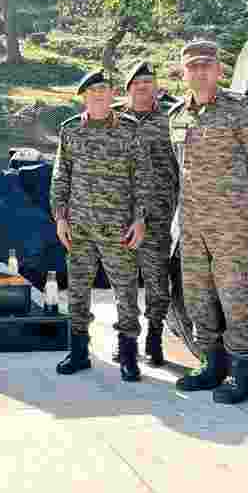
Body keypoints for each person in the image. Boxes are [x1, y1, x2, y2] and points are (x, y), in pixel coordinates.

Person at [168, 39, 248, 404]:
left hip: (230, 223)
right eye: (192, 67)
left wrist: (239, 204)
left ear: (219, 70)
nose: (199, 72)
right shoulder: (178, 116)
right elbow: (179, 167)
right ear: (183, 73)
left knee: (233, 298)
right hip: (192, 224)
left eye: (205, 66)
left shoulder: (240, 109)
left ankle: (241, 371)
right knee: (198, 297)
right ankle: (210, 364)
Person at [50, 68, 150, 381]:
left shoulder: (129, 130)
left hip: (118, 227)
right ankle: (79, 352)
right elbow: (61, 175)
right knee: (77, 291)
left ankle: (128, 355)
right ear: (84, 96)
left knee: (126, 292)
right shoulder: (70, 130)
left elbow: (143, 177)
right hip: (79, 227)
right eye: (92, 91)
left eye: (104, 90)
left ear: (112, 95)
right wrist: (60, 217)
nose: (98, 95)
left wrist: (140, 218)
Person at [109, 61, 179, 367]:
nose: (143, 89)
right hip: (121, 213)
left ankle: (154, 336)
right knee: (123, 280)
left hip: (159, 213)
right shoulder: (110, 118)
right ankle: (126, 339)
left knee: (156, 279)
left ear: (156, 89)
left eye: (148, 85)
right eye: (137, 85)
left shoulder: (172, 118)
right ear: (128, 90)